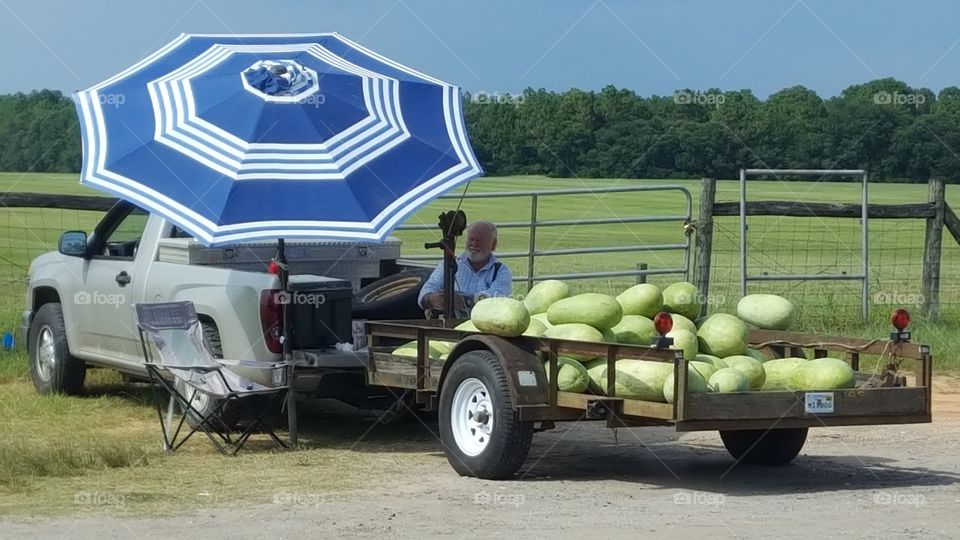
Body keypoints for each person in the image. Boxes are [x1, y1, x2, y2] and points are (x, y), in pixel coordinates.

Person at [418, 220, 512, 318]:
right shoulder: (449, 264)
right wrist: (431, 299)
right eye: (471, 239)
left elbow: (497, 299)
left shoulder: (501, 271)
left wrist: (465, 300)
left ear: (493, 245)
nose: (474, 244)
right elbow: (427, 290)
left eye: (480, 241)